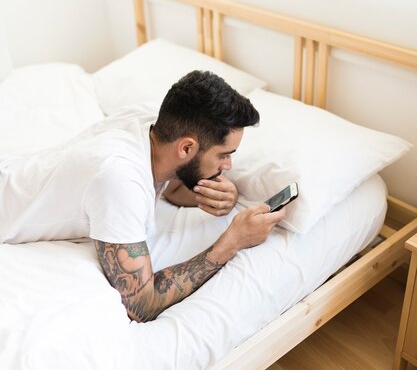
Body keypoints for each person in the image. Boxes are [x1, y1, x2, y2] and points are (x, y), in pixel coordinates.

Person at [0, 70, 285, 322]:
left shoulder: (154, 123)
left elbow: (170, 184)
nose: (228, 167)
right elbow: (140, 304)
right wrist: (233, 241)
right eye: (224, 156)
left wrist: (220, 192)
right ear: (186, 148)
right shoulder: (119, 180)